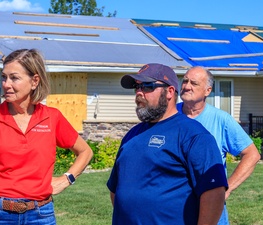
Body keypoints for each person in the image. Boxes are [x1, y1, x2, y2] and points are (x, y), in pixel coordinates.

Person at [107, 63, 228, 225]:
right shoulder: (132, 135)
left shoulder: (194, 135)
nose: (139, 93)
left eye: (147, 86)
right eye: (136, 87)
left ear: (169, 92)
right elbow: (116, 188)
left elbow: (214, 193)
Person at [0, 49, 93, 224]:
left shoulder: (52, 117)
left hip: (41, 215)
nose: (6, 84)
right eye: (4, 77)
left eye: (14, 78)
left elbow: (85, 152)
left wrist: (67, 179)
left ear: (35, 81)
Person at [176, 66, 261, 225]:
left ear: (207, 91)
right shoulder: (170, 116)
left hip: (210, 210)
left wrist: (226, 189)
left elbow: (252, 154)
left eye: (194, 83)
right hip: (173, 209)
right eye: (185, 81)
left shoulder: (221, 120)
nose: (187, 86)